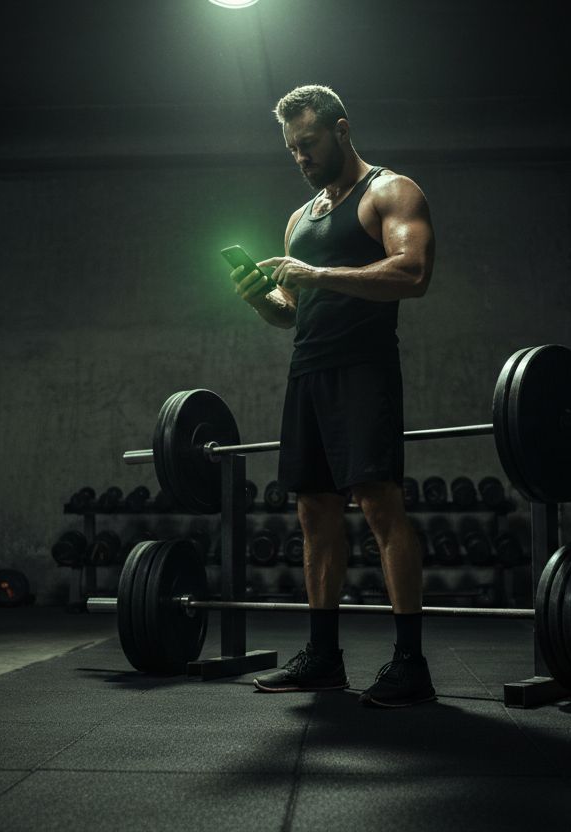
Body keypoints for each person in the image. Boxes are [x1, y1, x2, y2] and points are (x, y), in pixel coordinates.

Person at [228, 84, 437, 707]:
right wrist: (258, 298)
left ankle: (410, 663)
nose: (300, 156)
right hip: (308, 373)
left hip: (364, 369)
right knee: (313, 513)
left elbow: (413, 273)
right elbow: (291, 312)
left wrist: (316, 273)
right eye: (292, 148)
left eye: (309, 143)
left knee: (379, 507)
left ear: (342, 129)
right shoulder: (302, 218)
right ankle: (323, 657)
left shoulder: (392, 192)